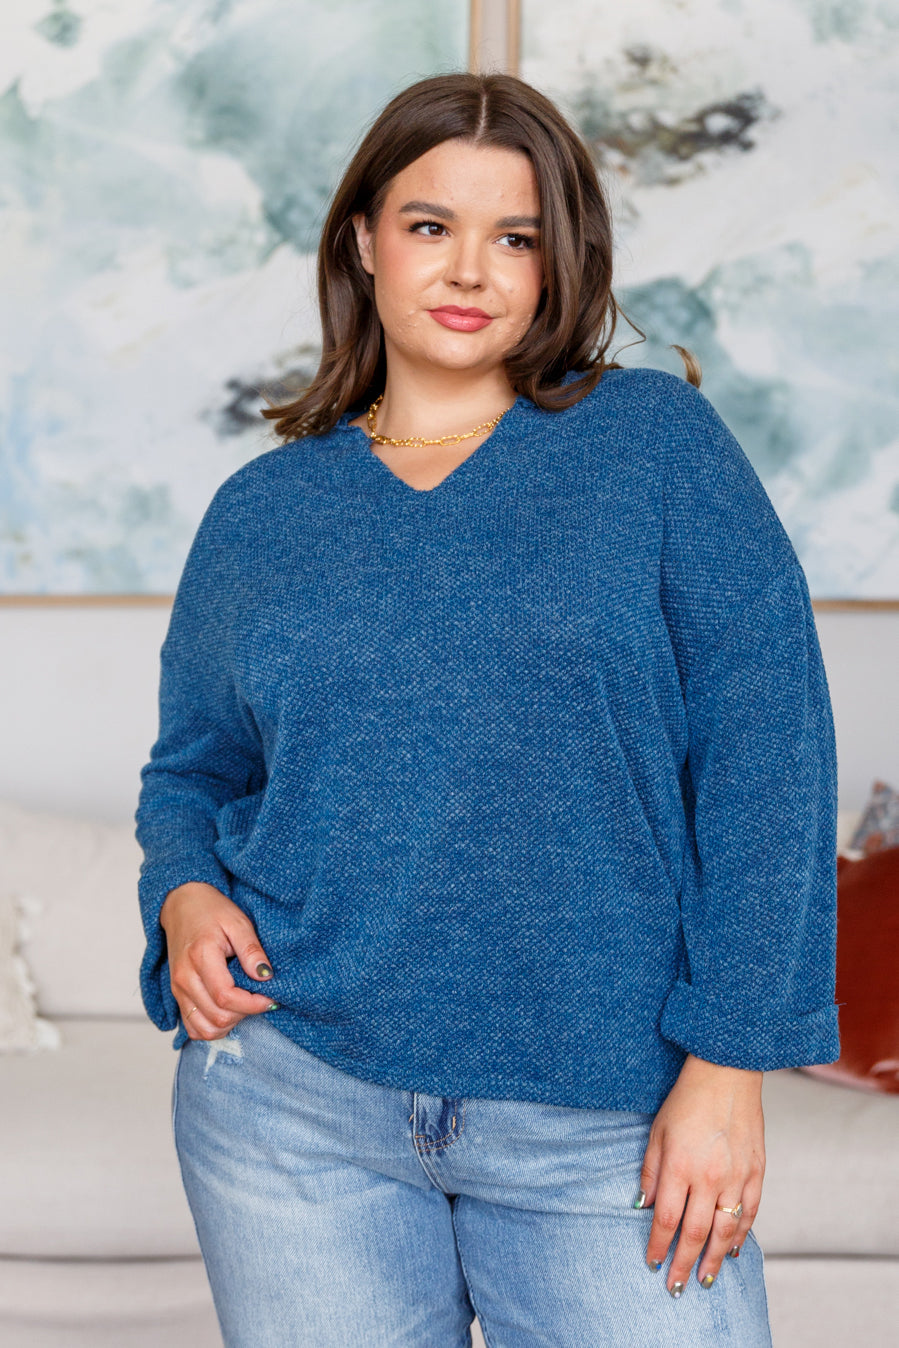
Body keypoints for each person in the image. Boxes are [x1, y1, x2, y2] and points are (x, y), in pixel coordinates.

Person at [135, 71, 840, 1348]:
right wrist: (183, 891)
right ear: (361, 238)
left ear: (558, 258)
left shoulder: (653, 449)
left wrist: (729, 1064)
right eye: (428, 226)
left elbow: (767, 758)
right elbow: (193, 768)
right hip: (290, 1104)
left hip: (600, 1118)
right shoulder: (265, 510)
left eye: (514, 236)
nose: (471, 269)